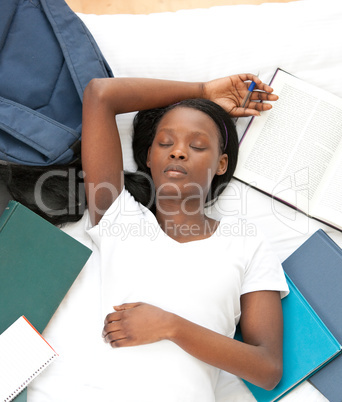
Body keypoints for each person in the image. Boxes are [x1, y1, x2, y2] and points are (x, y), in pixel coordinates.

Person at [82, 74, 289, 401]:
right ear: (149, 158)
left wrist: (171, 327)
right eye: (165, 143)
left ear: (221, 164)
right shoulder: (119, 220)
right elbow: (100, 94)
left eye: (197, 145)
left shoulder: (246, 244)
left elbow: (267, 369)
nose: (178, 152)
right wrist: (203, 91)